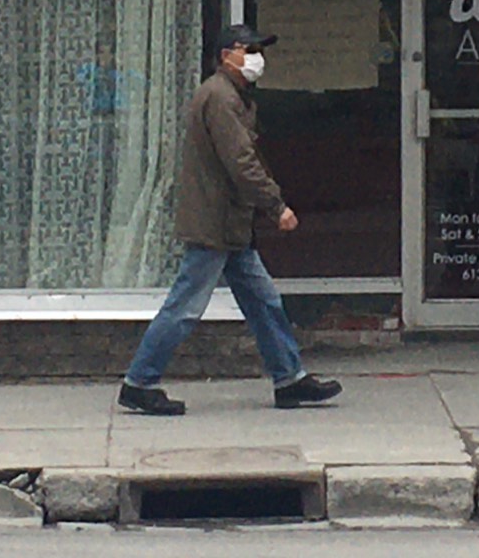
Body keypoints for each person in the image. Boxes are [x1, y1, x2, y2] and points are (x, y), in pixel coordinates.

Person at [117, 23, 342, 415]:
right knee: (185, 306)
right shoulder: (221, 98)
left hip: (229, 223)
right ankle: (139, 382)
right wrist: (276, 206)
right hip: (215, 223)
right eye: (248, 49)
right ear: (226, 56)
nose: (257, 57)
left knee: (263, 301)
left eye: (258, 50)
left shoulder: (231, 95)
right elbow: (241, 161)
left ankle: (289, 378)